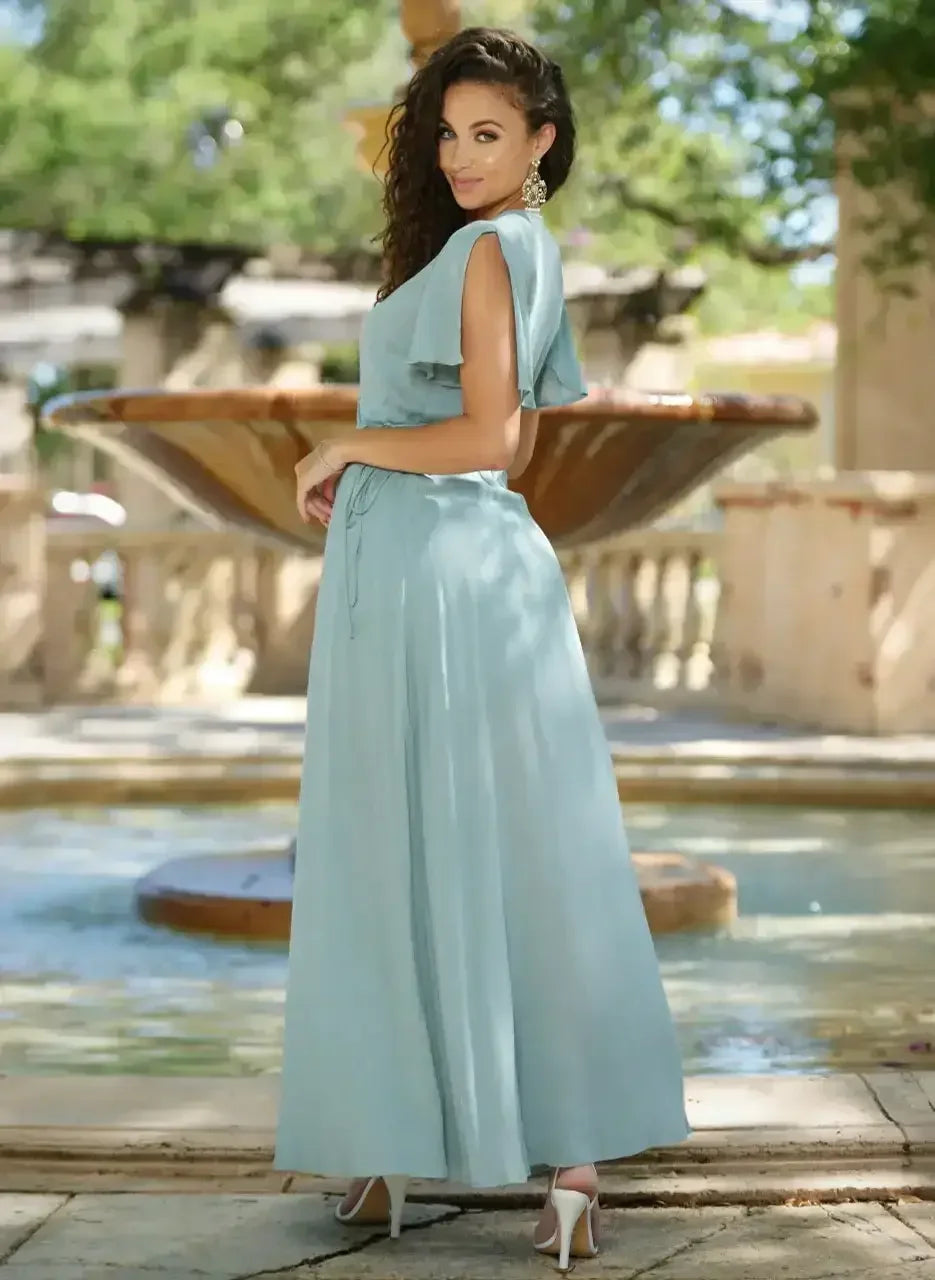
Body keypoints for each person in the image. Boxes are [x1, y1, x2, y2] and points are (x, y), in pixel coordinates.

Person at [275, 26, 689, 1273]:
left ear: (540, 141)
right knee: (510, 846)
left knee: (397, 845)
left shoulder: (491, 249)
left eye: (488, 133)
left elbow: (491, 438)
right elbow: (508, 442)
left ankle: (403, 1150)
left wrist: (345, 445)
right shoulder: (516, 249)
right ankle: (544, 1167)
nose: (459, 155)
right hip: (453, 566)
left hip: (431, 571)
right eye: (448, 133)